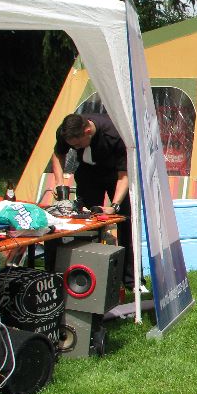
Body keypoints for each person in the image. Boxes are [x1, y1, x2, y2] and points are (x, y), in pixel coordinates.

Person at [52, 113, 136, 288]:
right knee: (86, 222)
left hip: (115, 174)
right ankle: (87, 273)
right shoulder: (67, 131)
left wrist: (114, 206)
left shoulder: (114, 135)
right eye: (72, 146)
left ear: (87, 131)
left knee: (125, 222)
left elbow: (124, 176)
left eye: (77, 145)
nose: (74, 148)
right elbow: (58, 154)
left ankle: (130, 280)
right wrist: (59, 183)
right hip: (88, 173)